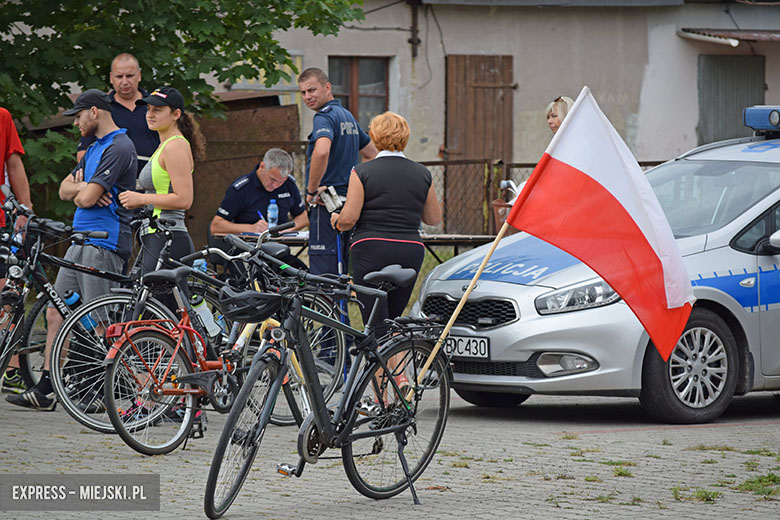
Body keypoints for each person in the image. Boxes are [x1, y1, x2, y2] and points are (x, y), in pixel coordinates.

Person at [7, 90, 137, 410]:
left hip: (104, 240)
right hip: (81, 239)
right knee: (56, 311)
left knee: (99, 317)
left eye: (78, 116)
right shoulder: (93, 147)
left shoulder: (119, 146)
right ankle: (46, 388)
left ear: (94, 112)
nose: (76, 123)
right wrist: (83, 187)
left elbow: (87, 199)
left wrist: (84, 191)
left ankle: (107, 391)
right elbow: (67, 191)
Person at [329, 111, 442, 337]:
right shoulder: (423, 173)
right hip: (410, 248)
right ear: (405, 137)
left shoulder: (362, 171)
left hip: (372, 247)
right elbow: (433, 218)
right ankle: (396, 360)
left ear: (373, 136)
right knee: (393, 320)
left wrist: (337, 221)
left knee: (375, 323)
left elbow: (349, 219)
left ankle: (380, 360)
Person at [118, 86, 205, 278]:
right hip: (155, 235)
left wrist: (140, 199)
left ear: (176, 114)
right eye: (148, 109)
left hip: (168, 235)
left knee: (157, 296)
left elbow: (184, 200)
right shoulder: (164, 145)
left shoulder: (175, 146)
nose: (150, 114)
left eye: (157, 110)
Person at [297, 67, 377, 277]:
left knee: (324, 278)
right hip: (348, 206)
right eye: (303, 92)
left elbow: (322, 151)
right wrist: (356, 188)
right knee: (344, 274)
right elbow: (372, 154)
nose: (307, 97)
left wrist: (311, 191)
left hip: (326, 206)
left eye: (312, 90)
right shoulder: (347, 116)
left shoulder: (324, 117)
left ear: (327, 87)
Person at [77, 53, 159, 175]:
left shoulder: (156, 105)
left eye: (130, 76)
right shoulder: (100, 110)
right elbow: (83, 153)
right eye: (119, 76)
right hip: (114, 182)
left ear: (139, 75)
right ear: (111, 78)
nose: (124, 82)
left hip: (154, 181)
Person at [0, 107, 34, 393]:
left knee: (7, 293)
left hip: (0, 221)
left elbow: (14, 164)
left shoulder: (2, 117)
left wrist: (26, 209)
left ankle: (10, 369)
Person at [210, 148, 308, 236]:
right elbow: (216, 226)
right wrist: (250, 228)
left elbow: (303, 217)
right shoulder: (241, 188)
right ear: (262, 166)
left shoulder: (289, 184)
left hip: (279, 245)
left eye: (281, 182)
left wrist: (287, 230)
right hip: (249, 247)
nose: (275, 185)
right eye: (272, 179)